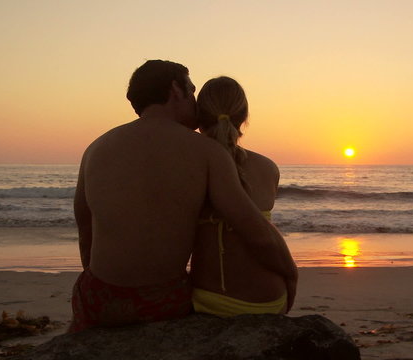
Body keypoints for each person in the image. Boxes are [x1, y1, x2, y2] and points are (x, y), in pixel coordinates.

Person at [68, 60, 297, 333]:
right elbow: (252, 228)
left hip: (98, 297)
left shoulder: (96, 147)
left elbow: (85, 229)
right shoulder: (205, 151)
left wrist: (101, 285)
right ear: (176, 90)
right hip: (161, 300)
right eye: (192, 92)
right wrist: (291, 273)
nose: (195, 105)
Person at [190, 77, 292, 317]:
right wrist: (290, 273)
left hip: (208, 301)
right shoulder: (268, 168)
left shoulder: (186, 165)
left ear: (198, 117)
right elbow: (261, 237)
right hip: (271, 301)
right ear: (244, 117)